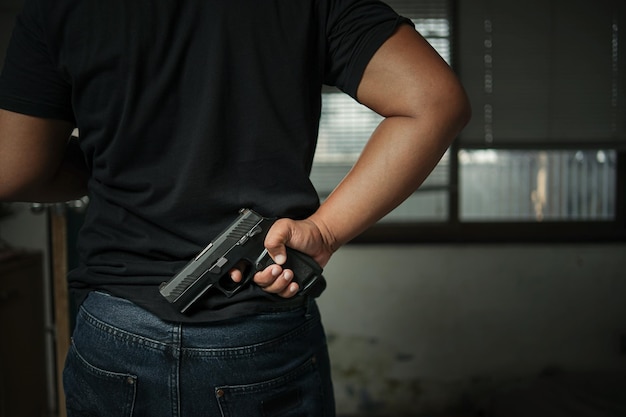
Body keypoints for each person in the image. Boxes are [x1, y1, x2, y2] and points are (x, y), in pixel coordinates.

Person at [0, 0, 471, 415]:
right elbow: (433, 99)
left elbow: (15, 170)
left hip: (117, 327)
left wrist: (115, 163)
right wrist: (324, 231)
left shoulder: (57, 6)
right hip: (255, 335)